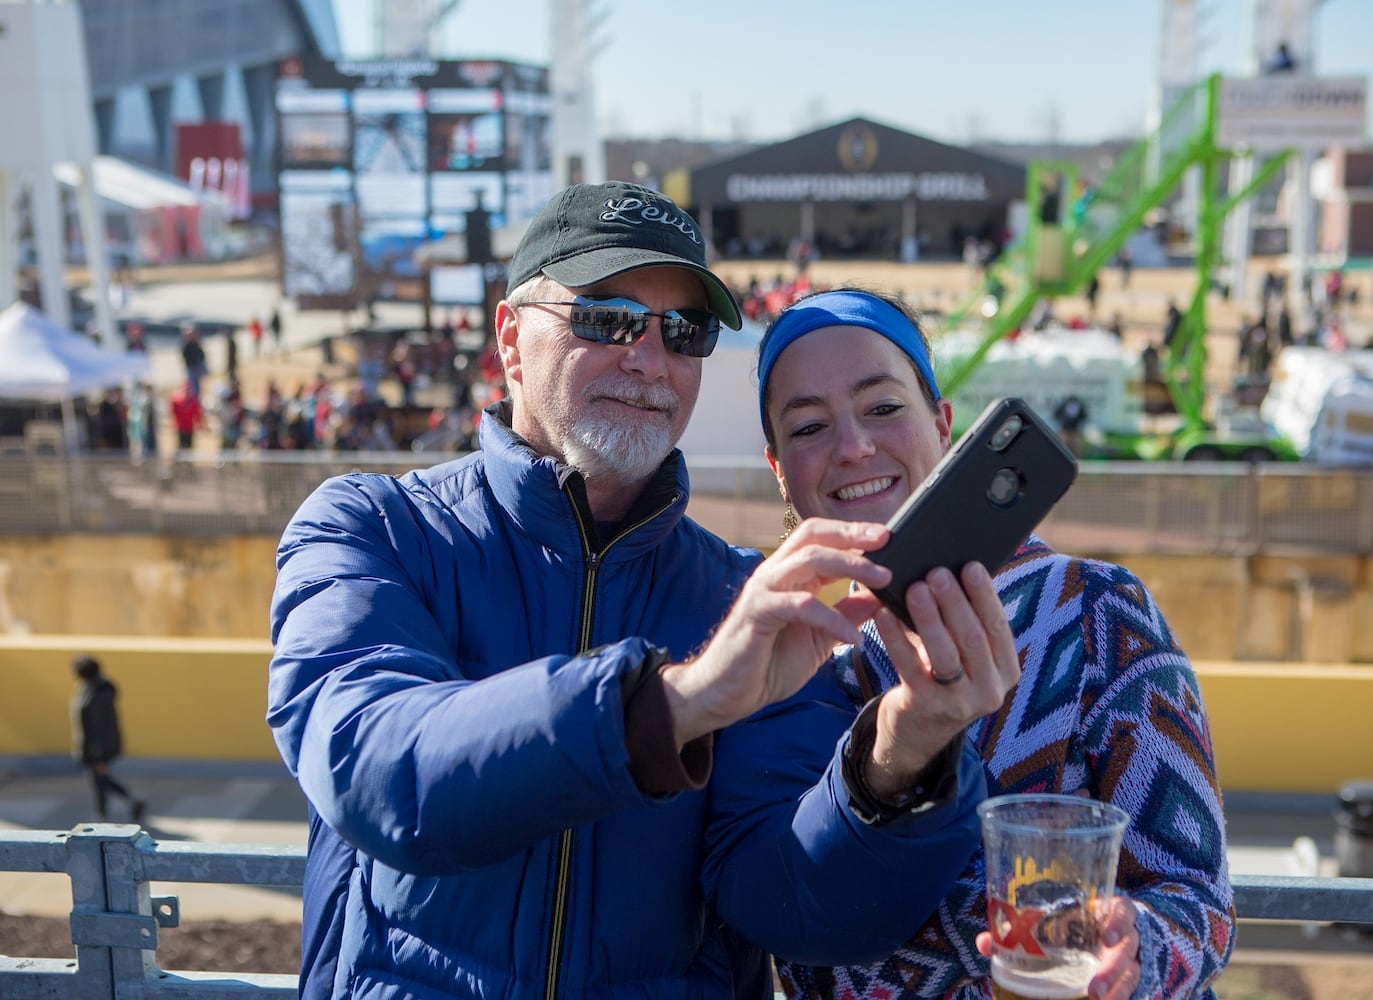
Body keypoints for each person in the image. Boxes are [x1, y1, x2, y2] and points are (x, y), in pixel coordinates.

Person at [267, 183, 1005, 1000]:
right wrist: (672, 707)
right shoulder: (373, 527)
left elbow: (794, 904)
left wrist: (899, 758)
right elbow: (378, 770)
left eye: (682, 332)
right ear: (511, 339)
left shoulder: (745, 596)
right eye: (606, 317)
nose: (648, 359)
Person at [756, 288, 1235, 1000]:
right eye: (807, 427)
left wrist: (1133, 944)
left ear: (943, 425)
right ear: (778, 472)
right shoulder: (773, 662)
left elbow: (1198, 899)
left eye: (883, 407)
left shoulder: (1098, 614)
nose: (853, 447)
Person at [70, 656, 146, 824]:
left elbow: (97, 727)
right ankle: (131, 802)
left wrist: (99, 756)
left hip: (97, 749)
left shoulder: (95, 693)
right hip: (96, 748)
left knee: (98, 783)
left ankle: (102, 819)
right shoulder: (91, 689)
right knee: (101, 781)